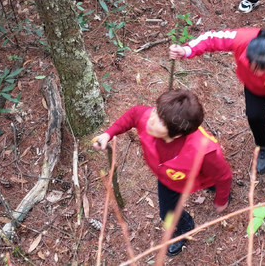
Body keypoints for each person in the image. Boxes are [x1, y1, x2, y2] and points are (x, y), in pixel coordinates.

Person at [92, 90, 232, 257]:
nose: (151, 119)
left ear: (177, 134)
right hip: (170, 181)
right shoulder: (149, 118)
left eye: (159, 121)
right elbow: (133, 114)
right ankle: (185, 226)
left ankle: (213, 194)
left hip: (201, 176)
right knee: (167, 214)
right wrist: (108, 134)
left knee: (214, 183)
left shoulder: (205, 152)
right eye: (155, 111)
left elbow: (223, 176)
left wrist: (222, 200)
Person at [169, 28, 265, 181]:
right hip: (254, 86)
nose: (257, 72)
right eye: (253, 66)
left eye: (262, 69)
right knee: (254, 116)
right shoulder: (243, 39)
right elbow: (212, 38)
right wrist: (187, 50)